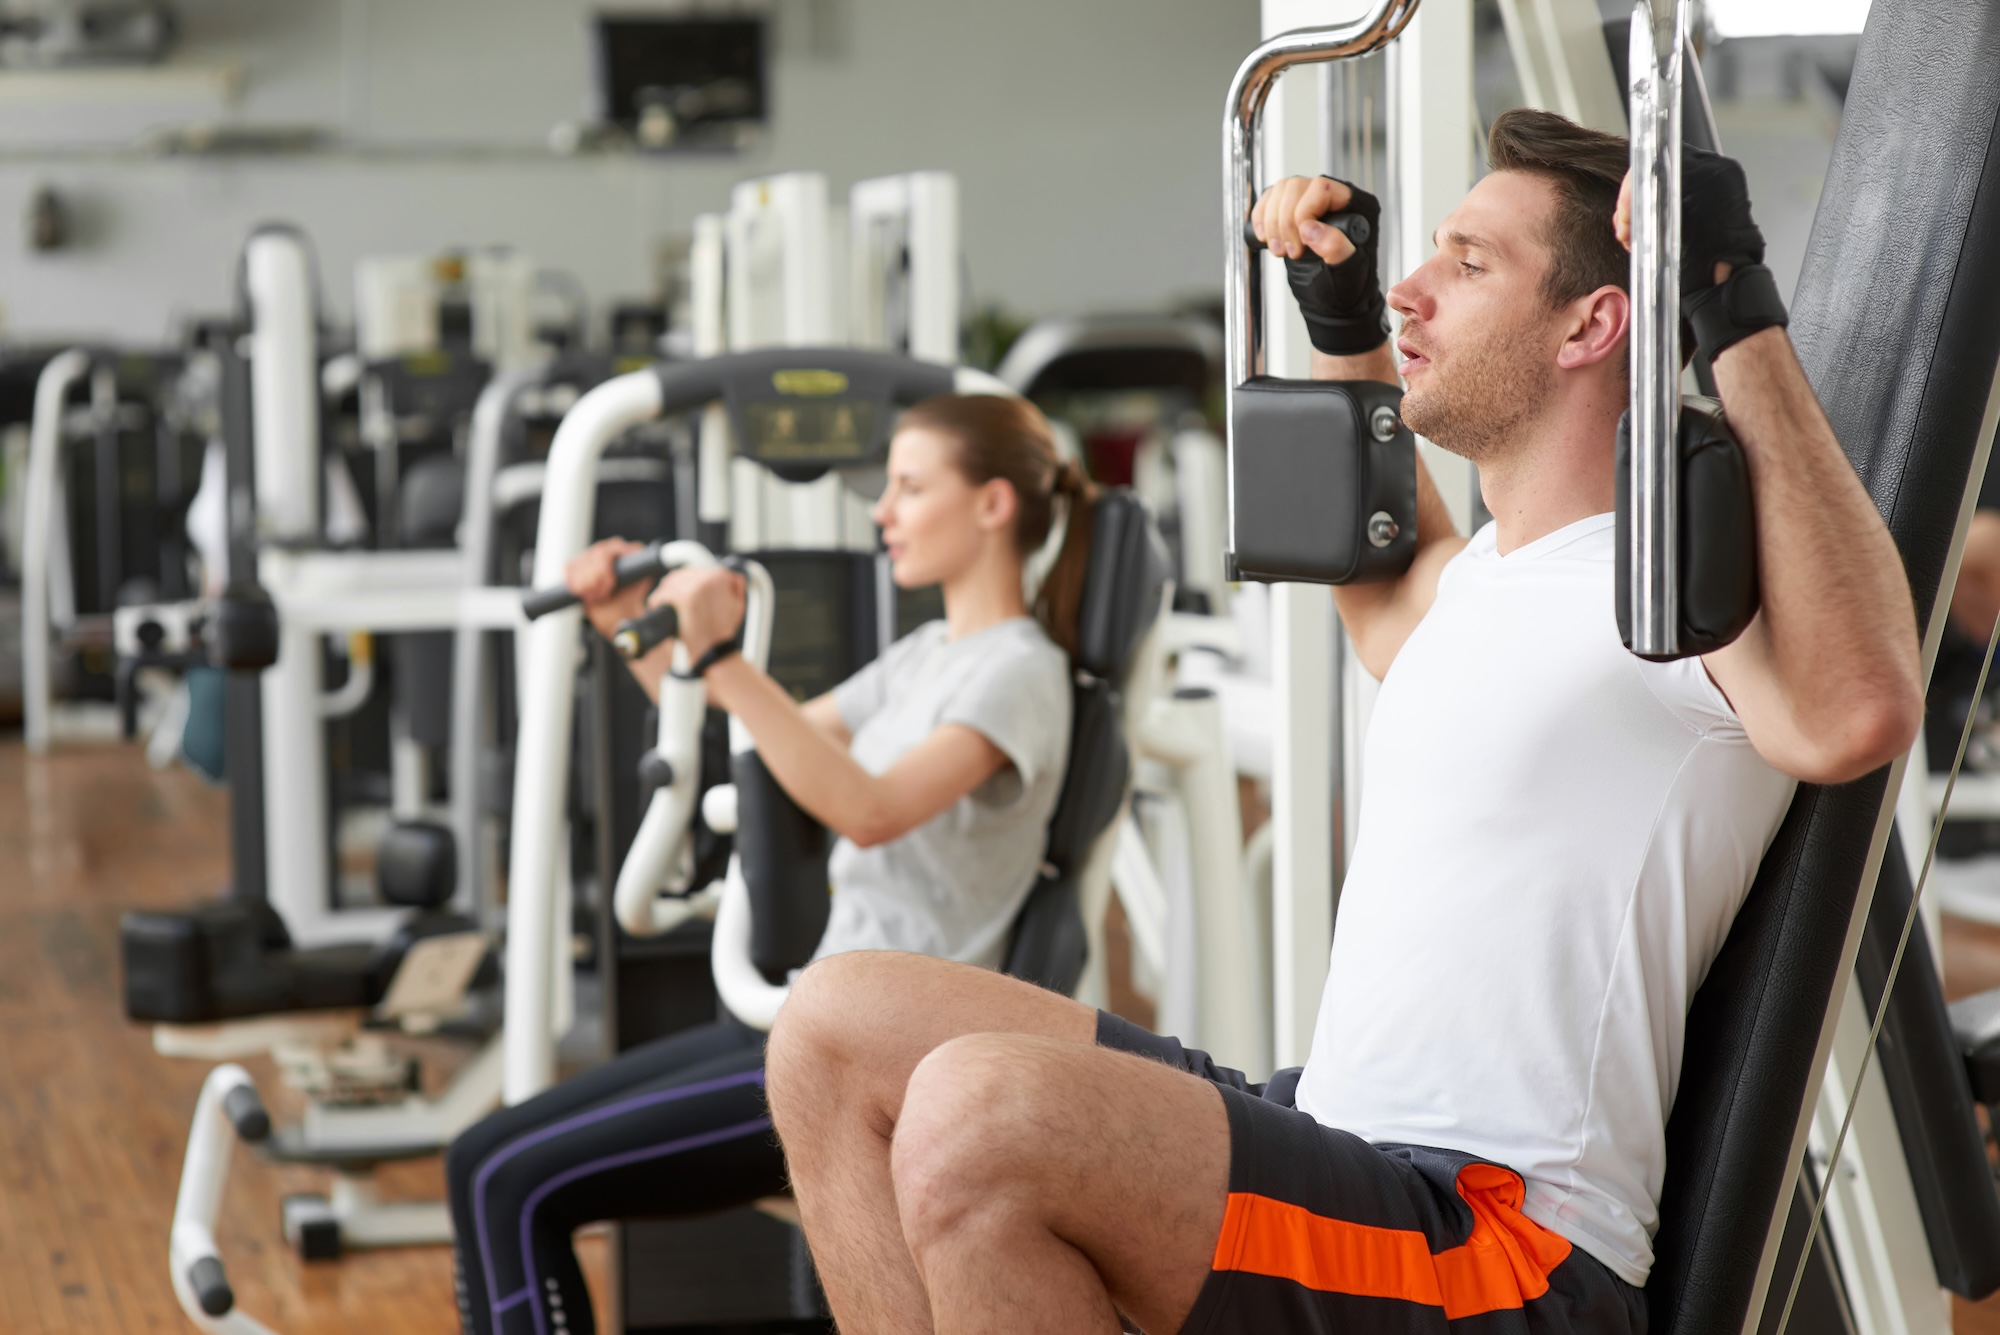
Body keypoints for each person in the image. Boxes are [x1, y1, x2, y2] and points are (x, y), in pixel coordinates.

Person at [763, 109, 1924, 1335]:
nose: (1415, 291)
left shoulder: (1676, 596)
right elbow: (1376, 572)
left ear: (1593, 324)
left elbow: (1857, 709)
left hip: (1495, 1237)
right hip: (1337, 1138)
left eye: (1466, 265)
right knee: (836, 1027)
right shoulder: (1473, 576)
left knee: (977, 1112)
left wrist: (1728, 300)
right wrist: (1341, 317)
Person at [445, 393, 1093, 1335]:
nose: (883, 513)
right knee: (481, 1158)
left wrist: (717, 652)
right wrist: (634, 622)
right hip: (812, 1022)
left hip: (875, 1059)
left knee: (511, 1182)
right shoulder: (924, 655)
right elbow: (758, 735)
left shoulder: (1020, 672)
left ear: (993, 505)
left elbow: (870, 810)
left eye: (910, 488)